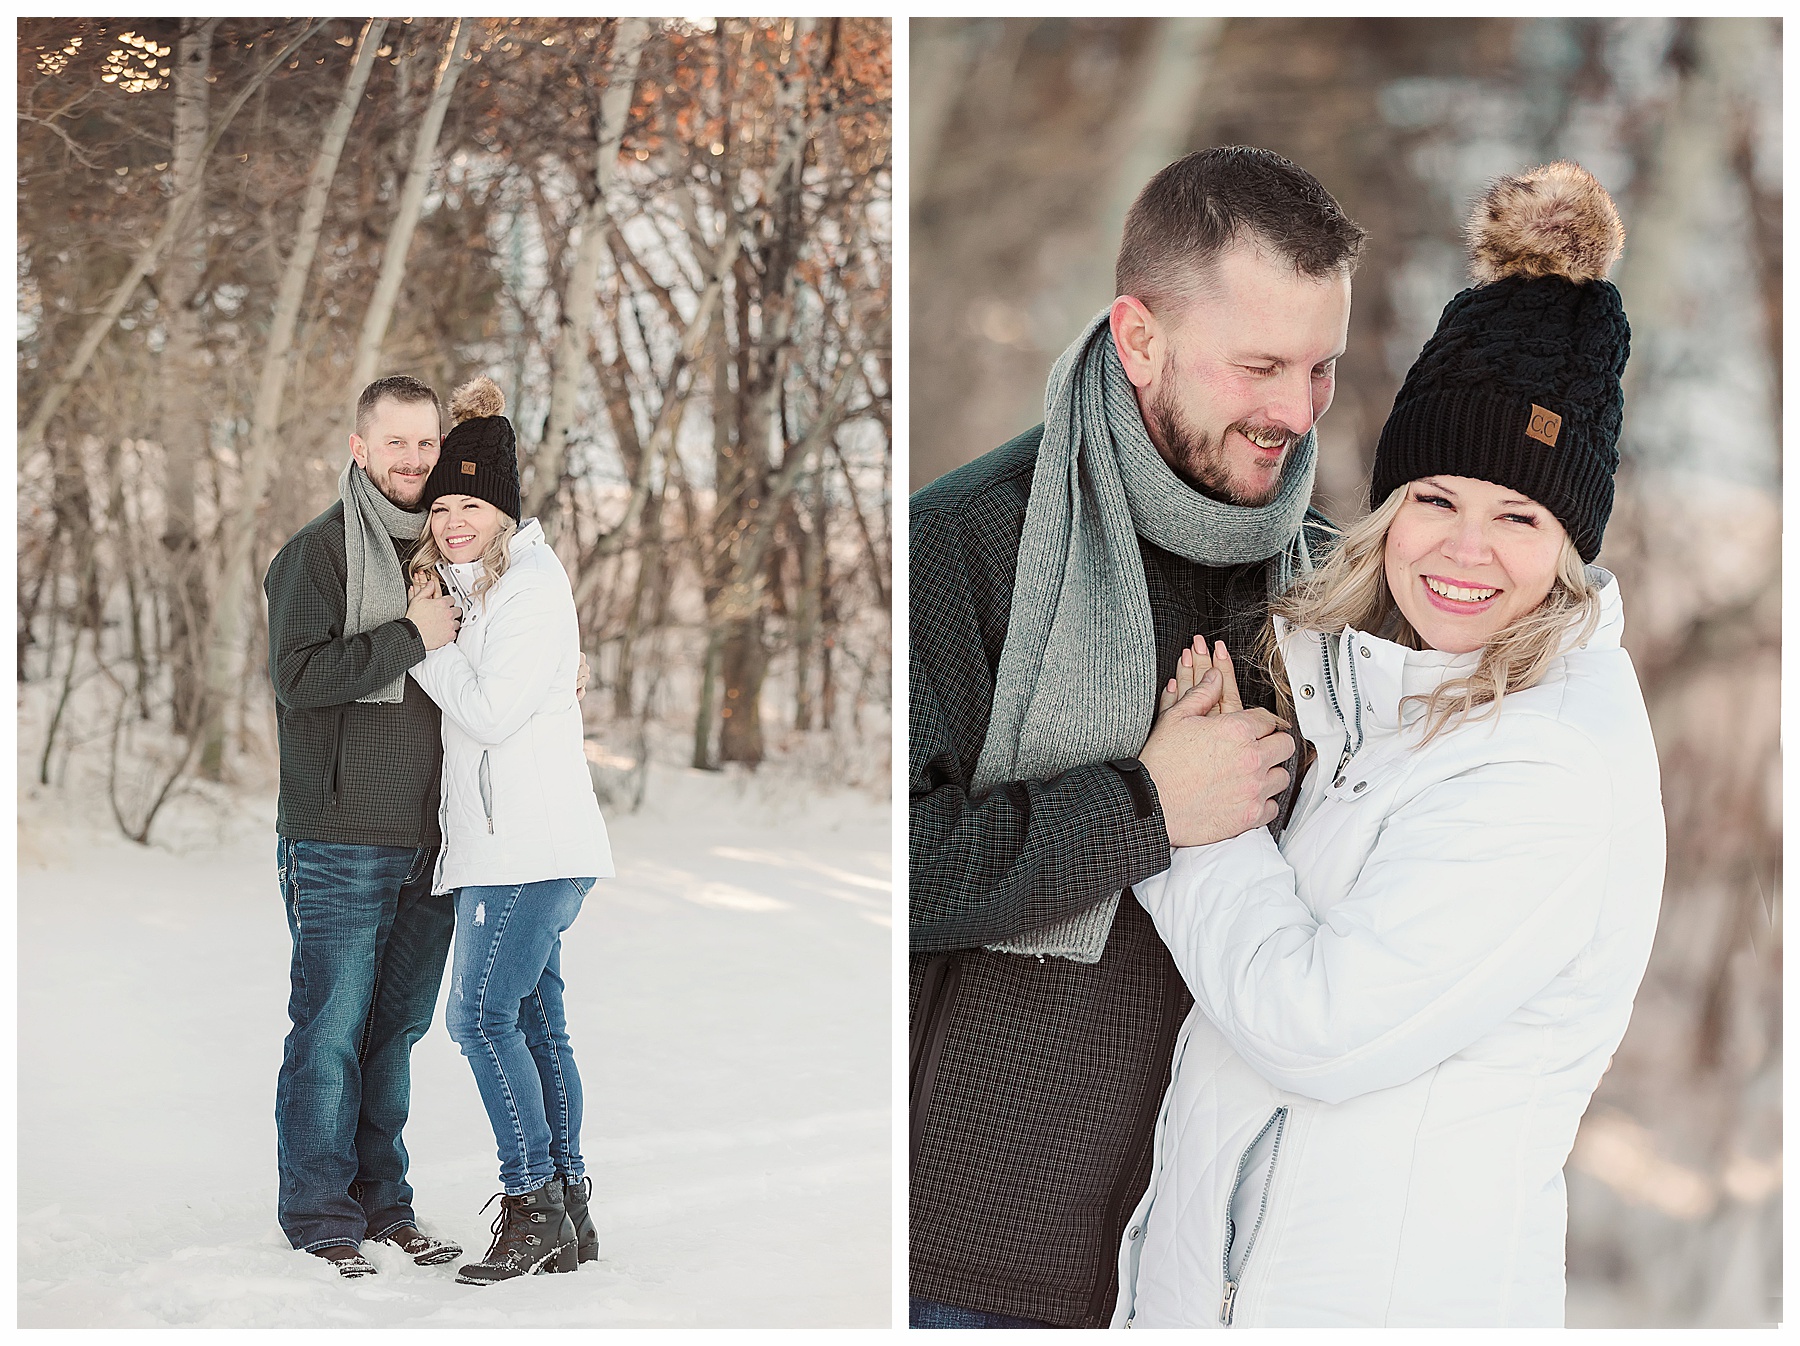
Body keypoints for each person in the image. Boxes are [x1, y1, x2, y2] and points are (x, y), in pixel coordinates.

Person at [1112, 162, 1664, 1327]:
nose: (1465, 550)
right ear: (1388, 503)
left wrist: (1192, 828)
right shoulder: (1389, 696)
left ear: (1569, 545)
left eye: (1520, 516)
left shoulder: (1545, 766)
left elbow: (1317, 1028)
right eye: (1436, 497)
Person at [908, 147, 1364, 1328]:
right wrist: (1142, 809)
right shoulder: (960, 550)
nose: (1296, 411)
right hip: (963, 1258)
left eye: (1322, 366)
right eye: (1260, 364)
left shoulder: (1324, 580)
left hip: (1204, 1268)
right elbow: (888, 872)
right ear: (1140, 337)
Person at [403, 376, 614, 1286]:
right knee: (533, 1020)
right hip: (520, 842)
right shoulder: (488, 582)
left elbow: (487, 714)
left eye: (471, 505)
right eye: (441, 505)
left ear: (504, 511)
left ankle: (531, 1207)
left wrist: (426, 644)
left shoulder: (528, 590)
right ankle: (567, 1212)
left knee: (479, 1017)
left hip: (525, 848)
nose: (453, 521)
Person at [266, 374, 468, 1276]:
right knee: (330, 1029)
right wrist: (413, 637)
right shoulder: (317, 555)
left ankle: (385, 1203)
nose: (414, 462)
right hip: (340, 831)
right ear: (360, 448)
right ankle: (319, 1211)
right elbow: (298, 678)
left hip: (435, 837)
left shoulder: (456, 551)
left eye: (426, 445)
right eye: (397, 445)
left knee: (396, 1032)